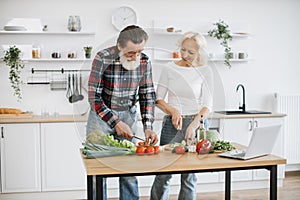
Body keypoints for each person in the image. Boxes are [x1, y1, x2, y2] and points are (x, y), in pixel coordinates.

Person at [86, 25, 158, 200]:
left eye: (139, 51)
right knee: (98, 169)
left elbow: (147, 94)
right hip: (101, 117)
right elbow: (94, 97)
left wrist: (147, 126)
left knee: (129, 168)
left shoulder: (144, 61)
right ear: (119, 46)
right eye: (130, 53)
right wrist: (116, 122)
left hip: (129, 115)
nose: (135, 57)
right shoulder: (102, 58)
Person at [150, 32, 214, 200]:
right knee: (164, 174)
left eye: (191, 52)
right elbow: (158, 99)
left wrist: (194, 124)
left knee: (189, 177)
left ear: (200, 53)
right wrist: (173, 111)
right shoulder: (169, 68)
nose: (185, 55)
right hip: (172, 125)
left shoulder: (205, 71)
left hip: (196, 125)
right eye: (183, 49)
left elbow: (207, 104)